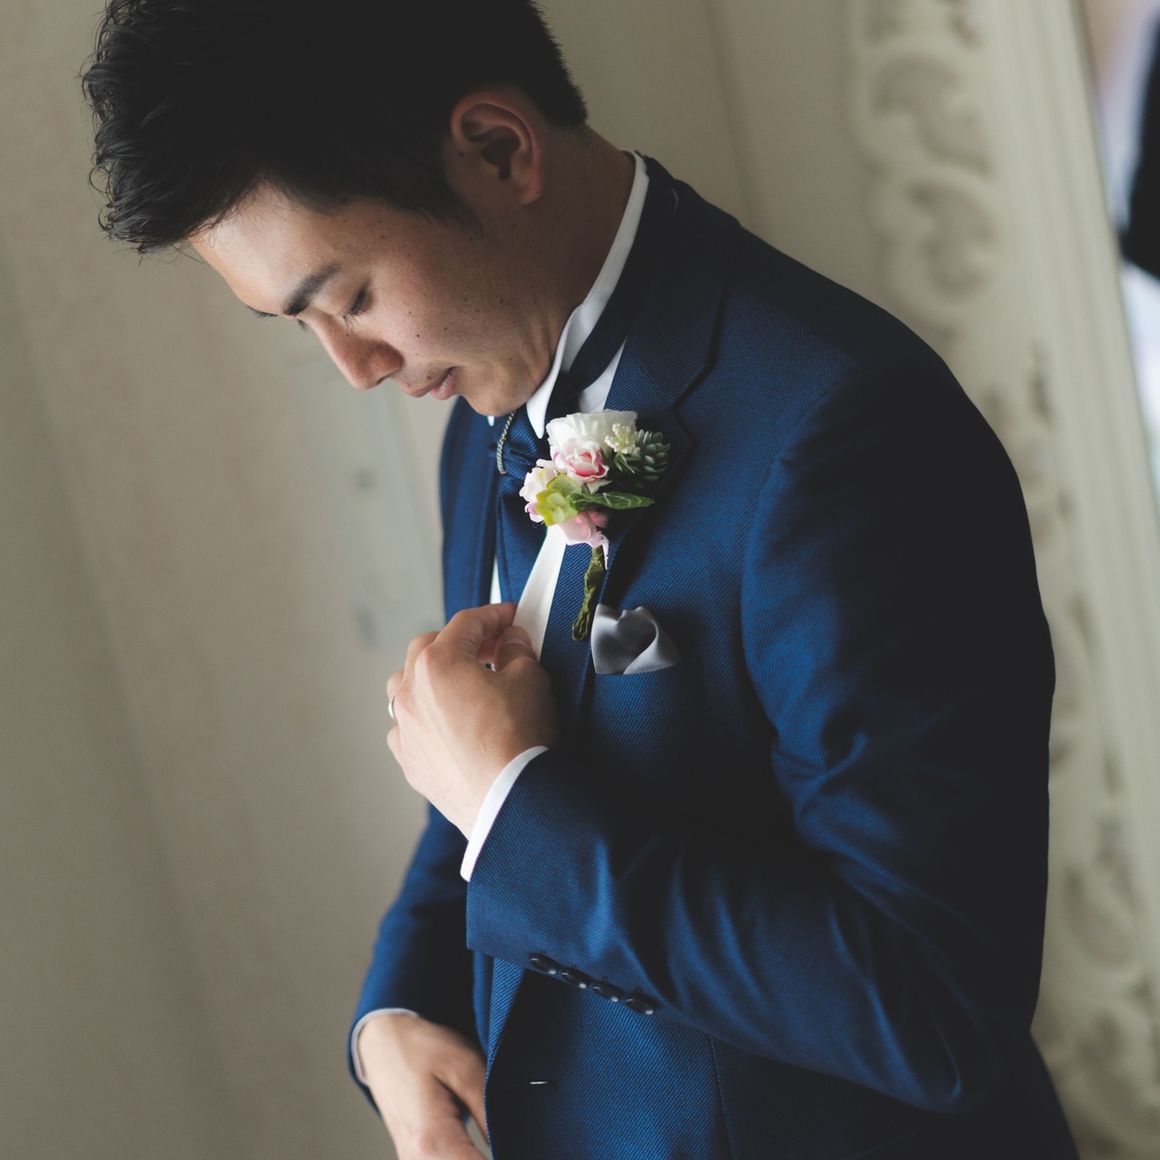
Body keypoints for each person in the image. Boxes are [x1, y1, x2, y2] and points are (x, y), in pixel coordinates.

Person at [81, 1, 1080, 1156]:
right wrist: (397, 1007)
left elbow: (932, 1003)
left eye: (348, 298)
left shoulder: (845, 429)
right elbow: (482, 775)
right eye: (296, 324)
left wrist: (517, 813)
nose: (353, 369)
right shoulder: (485, 420)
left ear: (499, 149)